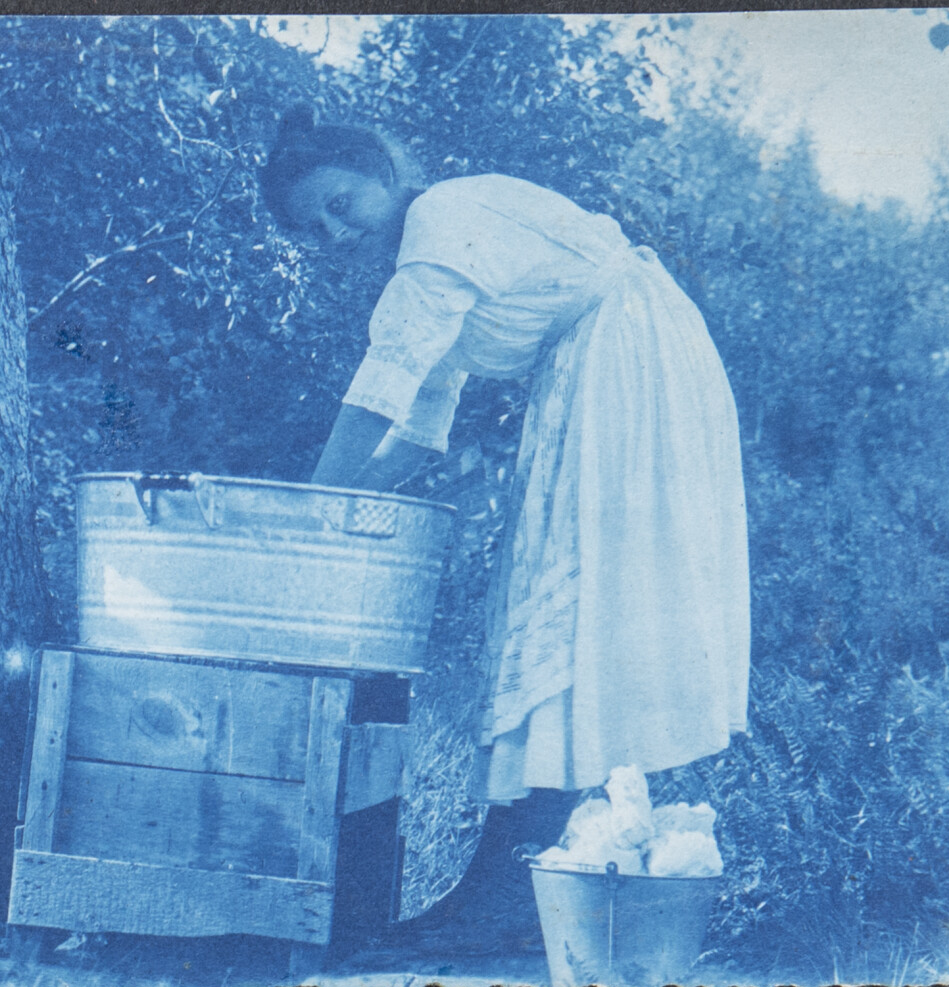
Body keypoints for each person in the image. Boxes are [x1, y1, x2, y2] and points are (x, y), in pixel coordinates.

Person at [260, 105, 750, 810]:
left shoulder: (442, 218)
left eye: (341, 205)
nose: (334, 233)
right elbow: (421, 428)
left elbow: (379, 389)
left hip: (628, 351)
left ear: (384, 173)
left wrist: (306, 514)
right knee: (575, 585)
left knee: (590, 581)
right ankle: (556, 828)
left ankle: (552, 831)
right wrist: (338, 514)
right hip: (608, 357)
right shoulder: (426, 265)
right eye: (314, 229)